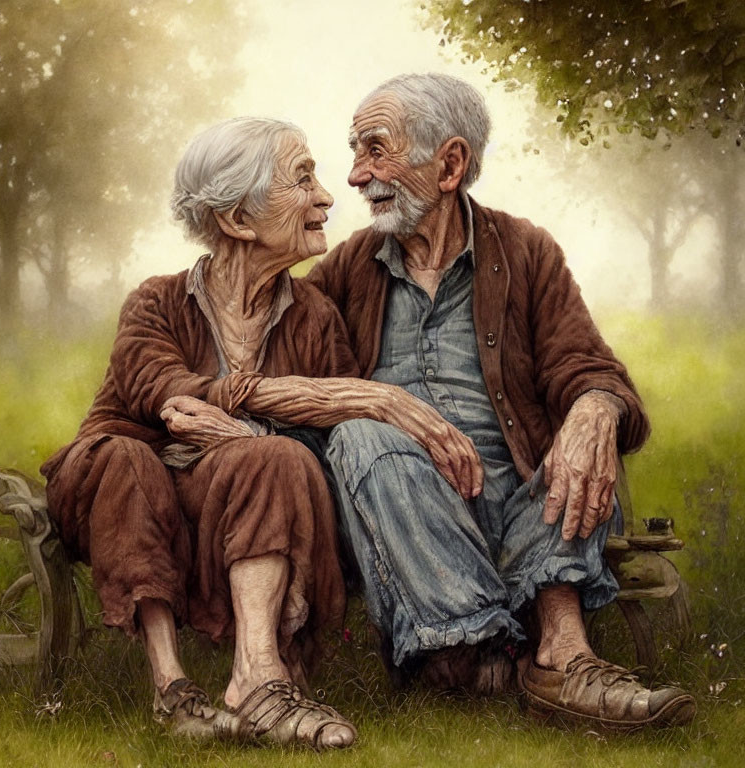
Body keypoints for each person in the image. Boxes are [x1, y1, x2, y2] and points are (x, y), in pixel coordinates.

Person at [41, 117, 489, 749]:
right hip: (127, 483)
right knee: (129, 459)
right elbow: (158, 390)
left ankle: (257, 678)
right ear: (238, 219)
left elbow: (331, 436)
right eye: (302, 179)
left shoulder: (313, 315)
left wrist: (254, 432)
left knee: (277, 457)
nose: (328, 197)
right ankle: (170, 685)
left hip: (228, 493)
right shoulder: (157, 302)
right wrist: (250, 401)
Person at [306, 73, 696, 729]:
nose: (354, 176)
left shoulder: (524, 250)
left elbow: (591, 367)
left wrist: (596, 409)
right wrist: (377, 403)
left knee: (581, 439)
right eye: (355, 152)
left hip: (520, 514)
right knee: (359, 435)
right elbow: (281, 367)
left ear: (451, 164)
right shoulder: (349, 269)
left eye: (375, 150)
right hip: (411, 522)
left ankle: (548, 653)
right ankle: (528, 652)